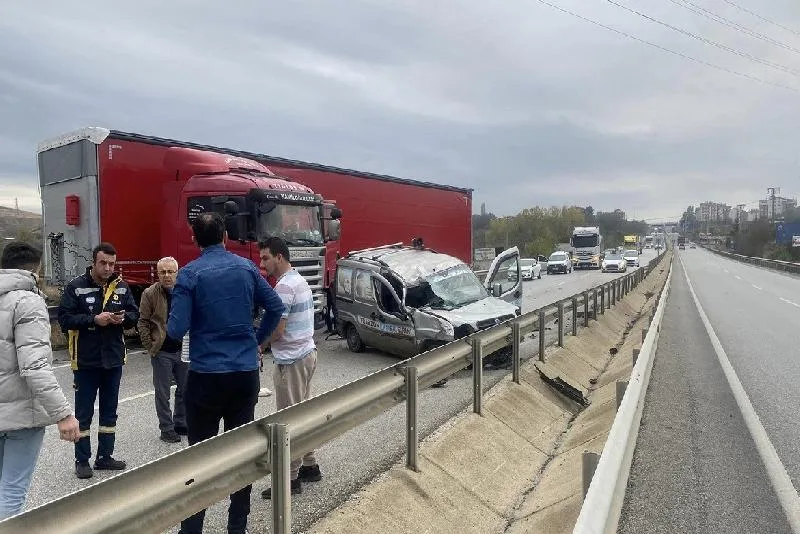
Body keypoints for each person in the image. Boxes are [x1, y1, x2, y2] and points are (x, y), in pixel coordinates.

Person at [167, 213, 284, 534]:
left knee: (200, 458)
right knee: (240, 453)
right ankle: (237, 527)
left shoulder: (189, 275)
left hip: (205, 376)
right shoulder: (247, 268)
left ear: (195, 239)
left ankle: (192, 529)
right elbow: (275, 307)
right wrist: (256, 342)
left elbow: (176, 329)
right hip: (244, 374)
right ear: (225, 236)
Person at [0, 242, 80, 519]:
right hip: (22, 415)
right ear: (36, 268)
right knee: (11, 491)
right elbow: (34, 366)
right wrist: (63, 414)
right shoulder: (28, 301)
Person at [58, 242, 139, 480]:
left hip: (113, 360)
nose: (107, 268)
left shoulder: (121, 287)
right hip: (85, 361)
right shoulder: (76, 287)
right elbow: (64, 319)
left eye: (111, 264)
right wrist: (95, 319)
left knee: (109, 412)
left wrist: (124, 319)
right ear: (93, 262)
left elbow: (134, 315)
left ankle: (105, 456)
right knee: (84, 414)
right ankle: (81, 460)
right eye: (103, 263)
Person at [258, 236, 322, 499]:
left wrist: (258, 344)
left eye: (265, 258)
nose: (262, 264)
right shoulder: (299, 280)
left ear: (279, 257)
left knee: (288, 423)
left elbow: (278, 330)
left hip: (291, 362)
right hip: (307, 354)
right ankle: (310, 465)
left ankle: (290, 480)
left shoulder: (284, 287)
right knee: (302, 413)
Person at [138, 256, 188, 443]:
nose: (167, 275)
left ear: (177, 272)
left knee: (185, 388)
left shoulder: (185, 291)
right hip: (162, 351)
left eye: (171, 271)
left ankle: (181, 422)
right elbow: (142, 322)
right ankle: (166, 428)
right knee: (162, 392)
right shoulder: (150, 294)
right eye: (163, 272)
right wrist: (151, 346)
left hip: (183, 349)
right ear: (157, 273)